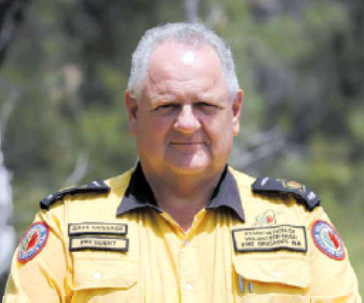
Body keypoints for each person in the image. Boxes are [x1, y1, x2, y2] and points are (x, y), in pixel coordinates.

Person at [3, 23, 361, 303]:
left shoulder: (298, 223)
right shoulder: (65, 227)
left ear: (234, 112)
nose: (187, 123)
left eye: (205, 106)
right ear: (133, 112)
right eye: (166, 106)